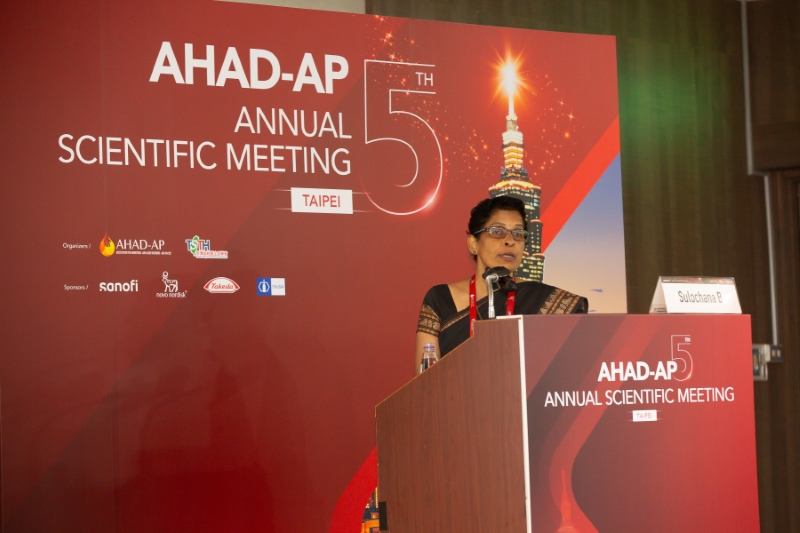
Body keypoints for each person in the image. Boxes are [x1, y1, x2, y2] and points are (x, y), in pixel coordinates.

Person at [415, 196, 588, 374]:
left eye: (518, 233)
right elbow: (425, 384)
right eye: (497, 231)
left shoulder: (542, 299)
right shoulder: (439, 300)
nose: (509, 240)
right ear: (473, 244)